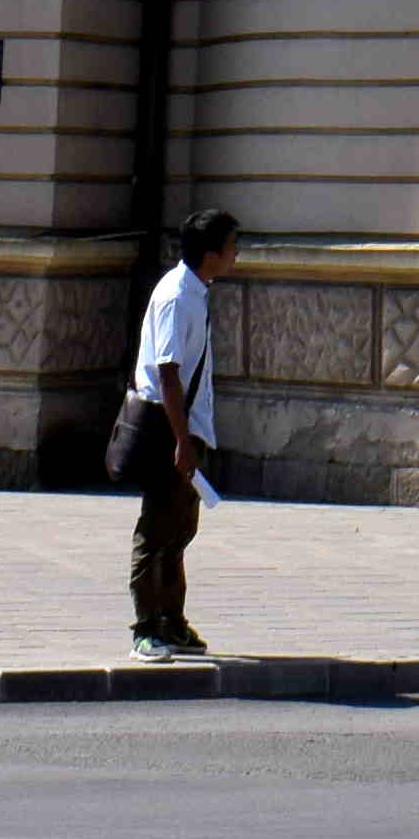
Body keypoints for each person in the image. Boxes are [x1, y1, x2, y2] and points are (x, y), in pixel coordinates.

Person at [114, 208, 241, 664]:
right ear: (211, 254)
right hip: (170, 430)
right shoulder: (175, 296)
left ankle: (172, 620)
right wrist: (182, 441)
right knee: (156, 529)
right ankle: (146, 629)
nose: (236, 255)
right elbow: (167, 374)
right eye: (231, 247)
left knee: (180, 528)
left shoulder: (197, 291)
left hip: (189, 428)